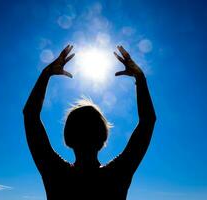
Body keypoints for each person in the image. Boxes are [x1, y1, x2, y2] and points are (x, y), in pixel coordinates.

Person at [23, 45, 156, 200]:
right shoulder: (117, 174)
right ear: (103, 138)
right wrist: (140, 78)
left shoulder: (56, 173)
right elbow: (148, 121)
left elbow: (30, 115)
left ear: (68, 138)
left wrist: (46, 74)